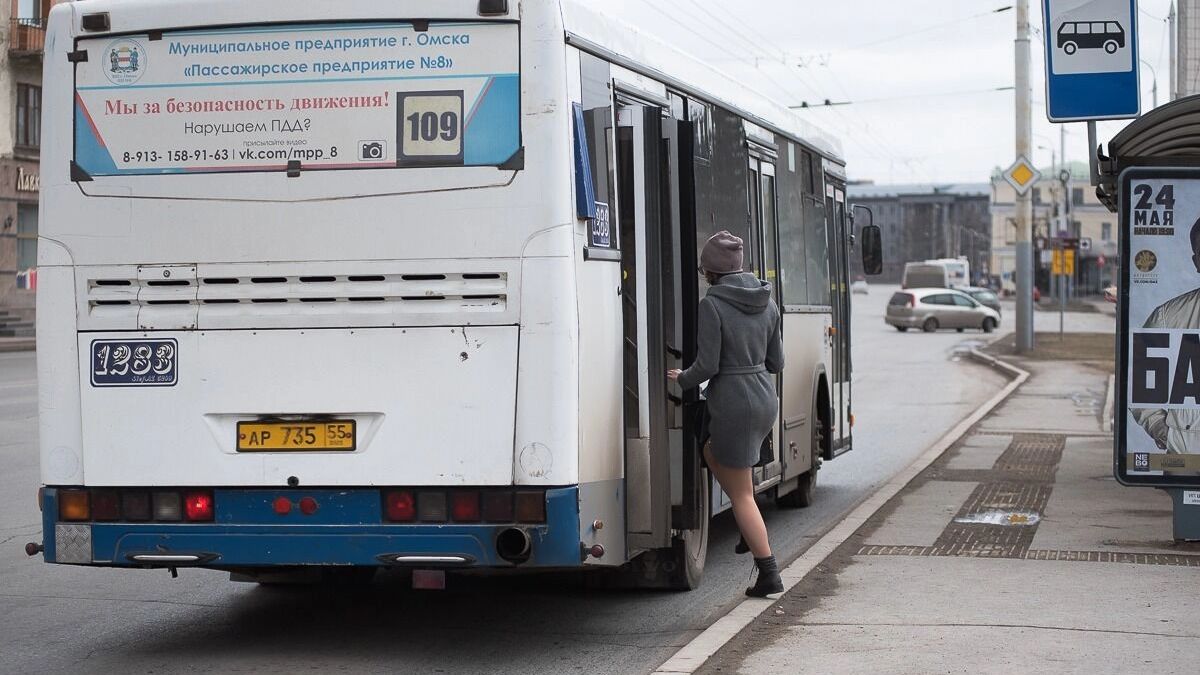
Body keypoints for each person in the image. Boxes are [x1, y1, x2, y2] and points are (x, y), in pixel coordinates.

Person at [667, 231, 785, 597]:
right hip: (764, 397)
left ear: (710, 272)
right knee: (716, 456)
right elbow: (776, 362)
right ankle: (749, 532)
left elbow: (707, 365)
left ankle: (769, 574)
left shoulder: (712, 305)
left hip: (734, 401)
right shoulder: (768, 302)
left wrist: (681, 378)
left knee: (741, 495)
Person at [1132, 217, 1200, 455]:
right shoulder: (1166, 318)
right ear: (1196, 261)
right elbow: (1139, 386)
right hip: (1188, 463)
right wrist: (1167, 435)